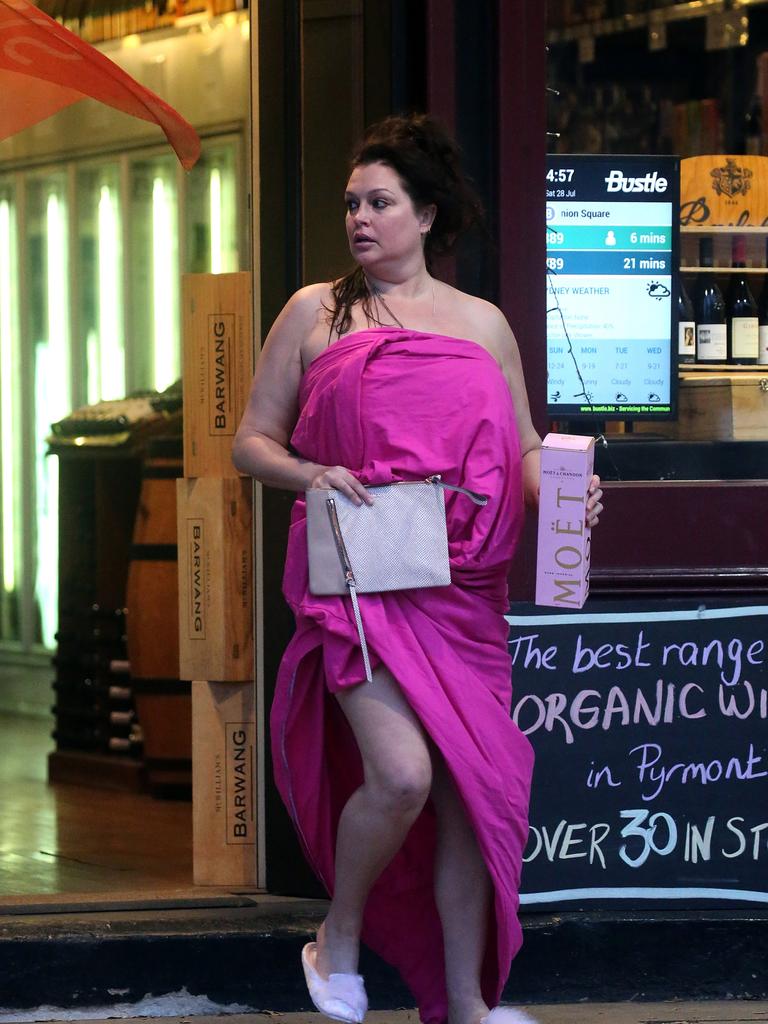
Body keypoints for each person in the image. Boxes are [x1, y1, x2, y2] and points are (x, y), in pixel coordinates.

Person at [233, 114, 603, 1024]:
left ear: (427, 213)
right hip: (360, 579)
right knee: (402, 777)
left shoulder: (485, 325)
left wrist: (566, 497)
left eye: (381, 202)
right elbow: (249, 442)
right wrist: (311, 470)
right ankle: (340, 933)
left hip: (462, 591)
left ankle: (469, 1003)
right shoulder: (316, 311)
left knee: (473, 797)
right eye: (352, 203)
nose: (360, 217)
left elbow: (519, 452)